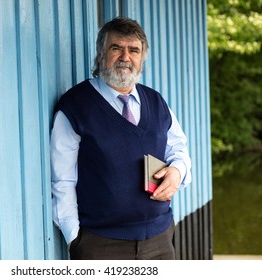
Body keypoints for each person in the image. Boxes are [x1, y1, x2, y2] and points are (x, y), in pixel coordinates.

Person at [50, 17, 191, 260]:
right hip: (102, 244)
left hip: (159, 239)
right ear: (100, 55)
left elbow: (179, 151)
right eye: (116, 48)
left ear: (142, 59)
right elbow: (62, 180)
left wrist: (177, 171)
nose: (125, 57)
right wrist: (76, 239)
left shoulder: (156, 102)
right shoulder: (75, 106)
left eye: (133, 50)